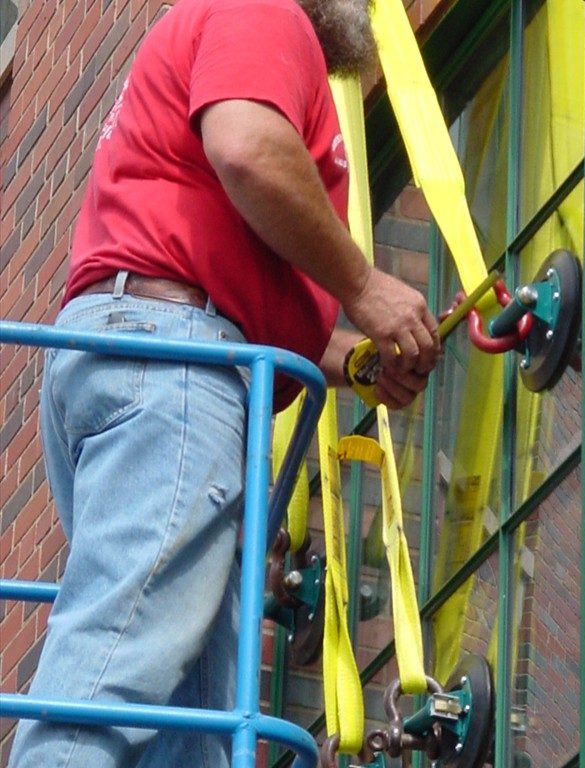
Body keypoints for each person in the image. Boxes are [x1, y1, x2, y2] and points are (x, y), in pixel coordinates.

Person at [9, 1, 441, 766]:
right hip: (176, 368)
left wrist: (354, 359)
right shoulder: (266, 11)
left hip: (146, 351)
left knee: (187, 727)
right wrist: (367, 287)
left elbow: (224, 271)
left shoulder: (224, 28)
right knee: (113, 675)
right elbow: (246, 148)